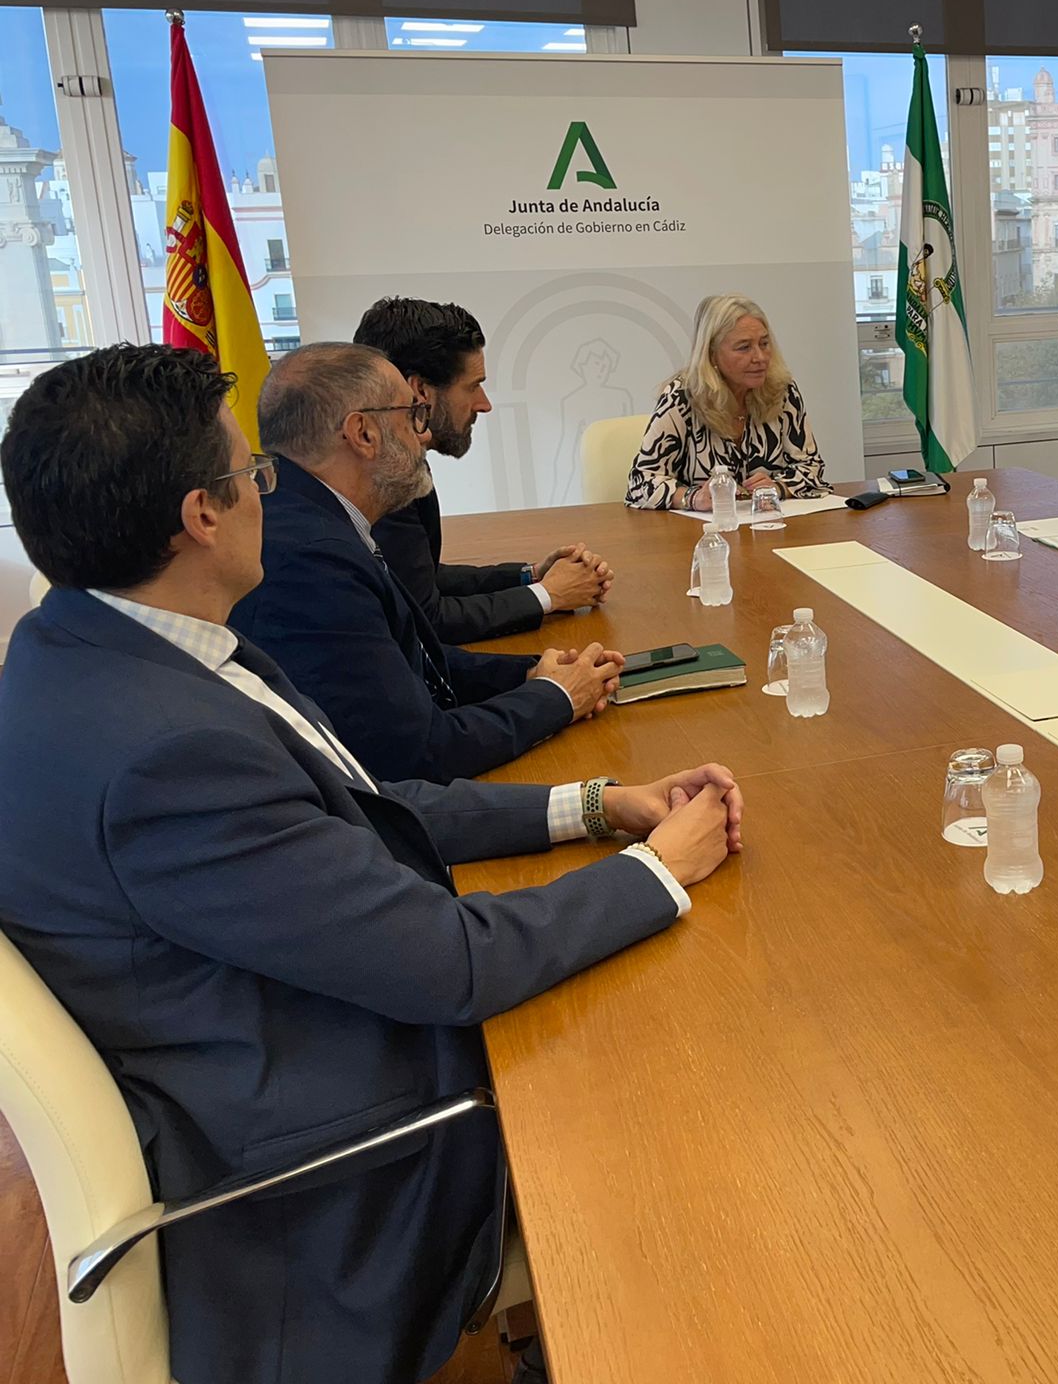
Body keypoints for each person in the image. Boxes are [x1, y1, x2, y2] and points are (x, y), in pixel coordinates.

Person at [0, 343, 742, 1384]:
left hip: (261, 1043)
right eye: (253, 474)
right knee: (689, 1065)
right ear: (202, 516)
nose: (270, 494)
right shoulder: (167, 754)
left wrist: (594, 806)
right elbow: (451, 964)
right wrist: (660, 870)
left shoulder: (98, 648)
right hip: (339, 1171)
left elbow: (362, 808)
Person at [231, 342, 621, 784]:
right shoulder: (310, 563)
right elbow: (419, 753)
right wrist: (555, 697)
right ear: (363, 434)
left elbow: (407, 661)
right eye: (412, 416)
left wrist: (528, 673)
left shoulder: (311, 515)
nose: (424, 435)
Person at [354, 296, 614, 644]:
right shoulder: (380, 474)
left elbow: (418, 579)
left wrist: (531, 576)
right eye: (473, 385)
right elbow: (426, 620)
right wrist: (550, 595)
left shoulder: (389, 456)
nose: (485, 404)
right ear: (420, 391)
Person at [624, 293, 830, 511]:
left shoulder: (782, 390)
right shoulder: (682, 397)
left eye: (764, 343)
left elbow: (811, 467)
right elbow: (641, 482)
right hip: (701, 529)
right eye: (744, 347)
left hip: (768, 524)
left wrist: (778, 487)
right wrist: (693, 498)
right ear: (712, 354)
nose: (760, 357)